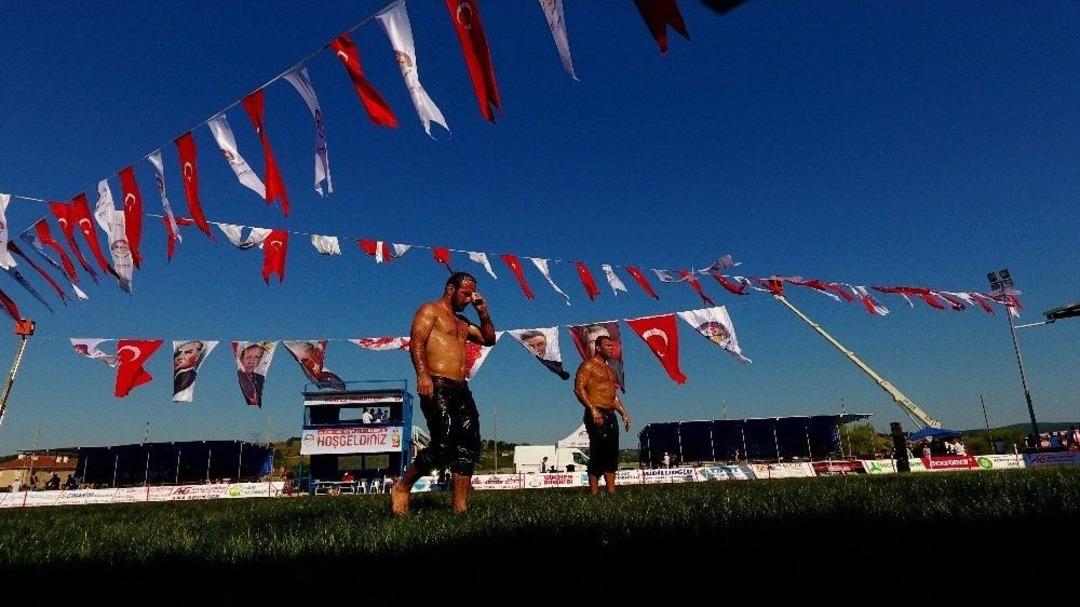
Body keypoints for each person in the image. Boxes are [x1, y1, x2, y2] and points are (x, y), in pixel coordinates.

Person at [392, 272, 496, 515]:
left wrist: (482, 312)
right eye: (466, 293)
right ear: (451, 289)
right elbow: (416, 342)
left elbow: (489, 339)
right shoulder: (430, 310)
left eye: (472, 295)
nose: (469, 299)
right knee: (442, 445)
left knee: (467, 446)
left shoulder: (462, 322)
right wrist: (422, 375)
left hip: (461, 386)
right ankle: (402, 486)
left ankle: (460, 507)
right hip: (436, 382)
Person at [574, 336, 631, 495]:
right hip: (596, 411)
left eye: (612, 346)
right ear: (598, 347)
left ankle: (611, 491)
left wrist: (624, 414)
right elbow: (579, 388)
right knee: (598, 451)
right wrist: (592, 409)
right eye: (607, 345)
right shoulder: (588, 365)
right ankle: (594, 492)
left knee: (612, 452)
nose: (611, 348)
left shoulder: (609, 370)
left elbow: (613, 396)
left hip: (610, 413)